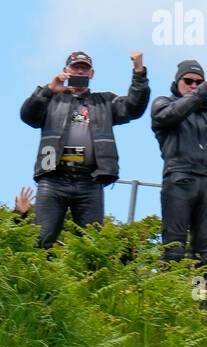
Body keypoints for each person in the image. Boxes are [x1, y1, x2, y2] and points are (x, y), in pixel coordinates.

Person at [19, 50, 150, 248]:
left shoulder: (105, 101)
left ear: (91, 74)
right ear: (65, 71)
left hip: (90, 180)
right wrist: (48, 89)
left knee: (92, 245)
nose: (79, 72)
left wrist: (139, 71)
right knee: (41, 238)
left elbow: (134, 108)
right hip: (53, 177)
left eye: (84, 69)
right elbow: (28, 116)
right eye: (75, 68)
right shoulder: (52, 99)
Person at [151, 60, 207, 265]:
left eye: (198, 81)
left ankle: (198, 295)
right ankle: (172, 294)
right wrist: (206, 87)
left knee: (206, 252)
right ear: (177, 82)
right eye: (188, 81)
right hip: (179, 178)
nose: (193, 85)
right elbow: (171, 115)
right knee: (173, 247)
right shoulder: (162, 103)